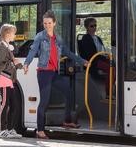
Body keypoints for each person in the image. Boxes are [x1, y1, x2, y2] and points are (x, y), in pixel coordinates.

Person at [22, 10, 87, 139]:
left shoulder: (58, 38)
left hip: (53, 72)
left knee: (68, 92)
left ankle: (67, 120)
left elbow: (68, 52)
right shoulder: (40, 37)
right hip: (44, 73)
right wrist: (26, 63)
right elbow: (33, 50)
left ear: (54, 23)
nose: (47, 25)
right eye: (45, 23)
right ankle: (40, 130)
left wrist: (82, 61)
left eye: (49, 23)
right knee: (44, 102)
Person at [0, 23, 23, 139]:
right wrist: (14, 65)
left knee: (14, 105)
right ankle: (1, 130)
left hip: (10, 79)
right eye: (13, 33)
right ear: (7, 34)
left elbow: (11, 62)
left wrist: (20, 66)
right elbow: (0, 65)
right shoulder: (1, 47)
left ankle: (10, 129)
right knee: (4, 104)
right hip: (5, 79)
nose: (14, 36)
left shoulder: (6, 46)